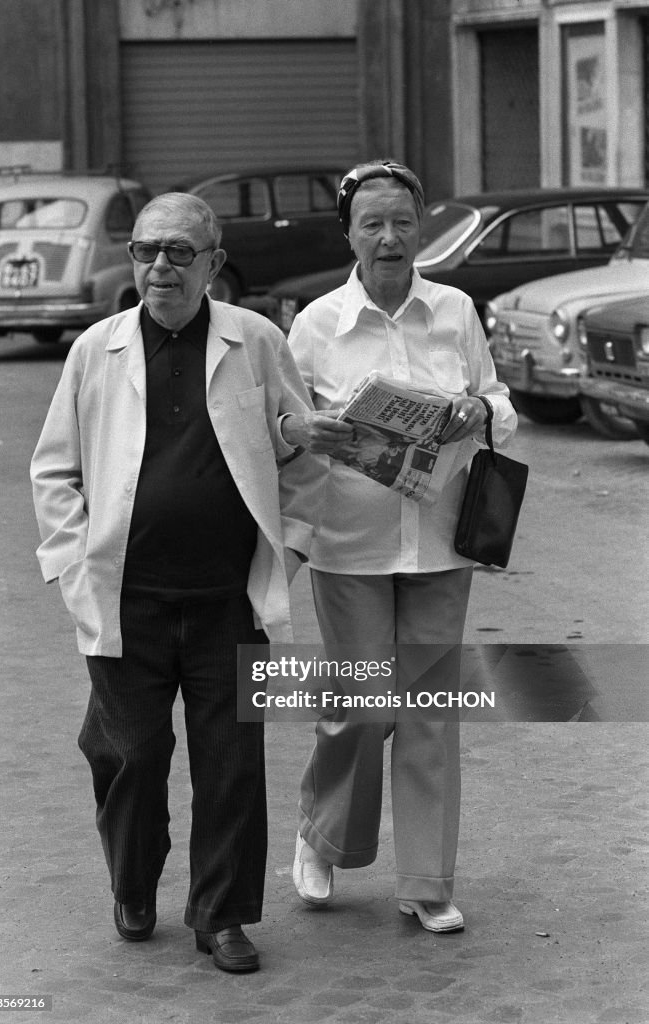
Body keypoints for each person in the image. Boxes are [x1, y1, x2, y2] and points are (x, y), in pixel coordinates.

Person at [30, 192, 324, 973]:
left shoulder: (257, 341)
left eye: (178, 252)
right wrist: (67, 562)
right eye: (144, 250)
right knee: (128, 756)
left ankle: (221, 916)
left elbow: (305, 458)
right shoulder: (97, 348)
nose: (159, 266)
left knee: (233, 765)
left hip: (230, 599)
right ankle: (132, 883)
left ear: (214, 264)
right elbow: (53, 470)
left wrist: (285, 553)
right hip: (126, 599)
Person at [280, 160, 517, 933]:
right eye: (372, 223)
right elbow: (284, 432)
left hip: (441, 543)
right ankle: (322, 835)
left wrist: (471, 411)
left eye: (403, 222)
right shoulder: (314, 324)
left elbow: (500, 404)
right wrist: (310, 430)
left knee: (428, 711)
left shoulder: (454, 310)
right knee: (358, 706)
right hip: (350, 543)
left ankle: (427, 881)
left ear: (422, 229)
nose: (389, 238)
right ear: (348, 232)